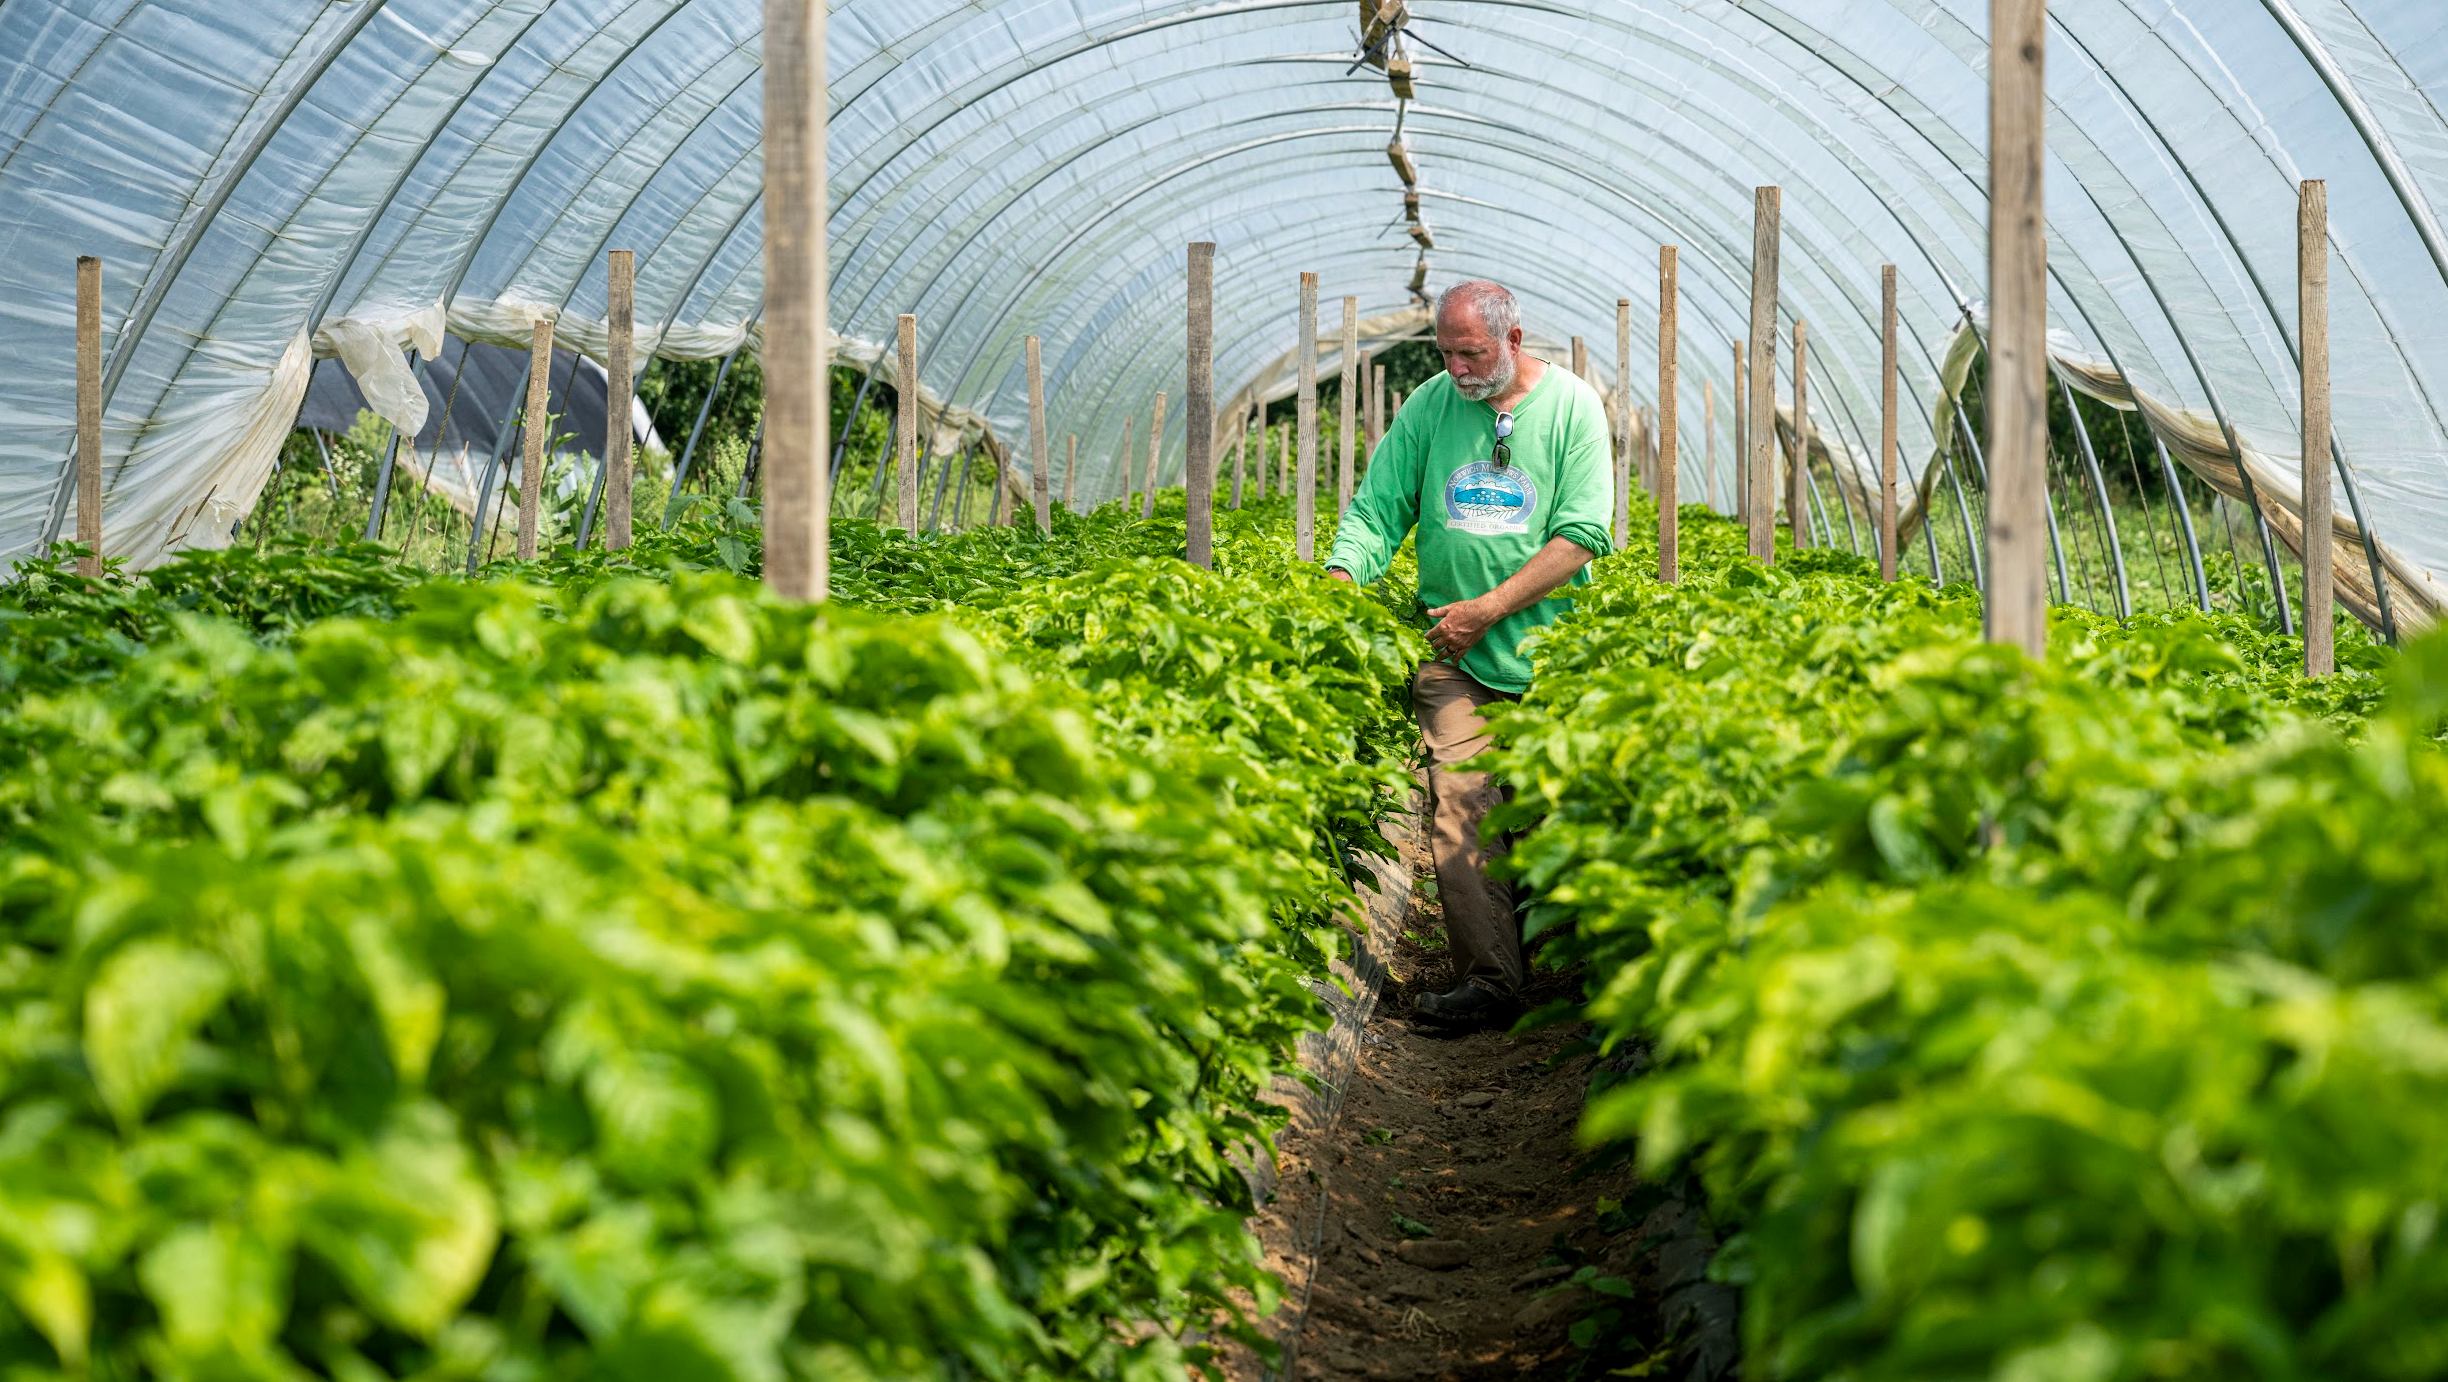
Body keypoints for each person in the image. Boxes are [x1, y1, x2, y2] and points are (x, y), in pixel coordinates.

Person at [1326, 280, 1614, 1029]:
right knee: (1463, 802)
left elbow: (1582, 534)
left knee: (1550, 812)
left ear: (1512, 339)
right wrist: (1336, 582)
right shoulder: (1430, 407)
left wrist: (1490, 609)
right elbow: (1377, 510)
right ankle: (1489, 984)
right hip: (1453, 657)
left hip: (1553, 654)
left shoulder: (1573, 407)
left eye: (1470, 353)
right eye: (1446, 353)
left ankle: (1580, 970)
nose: (1455, 369)